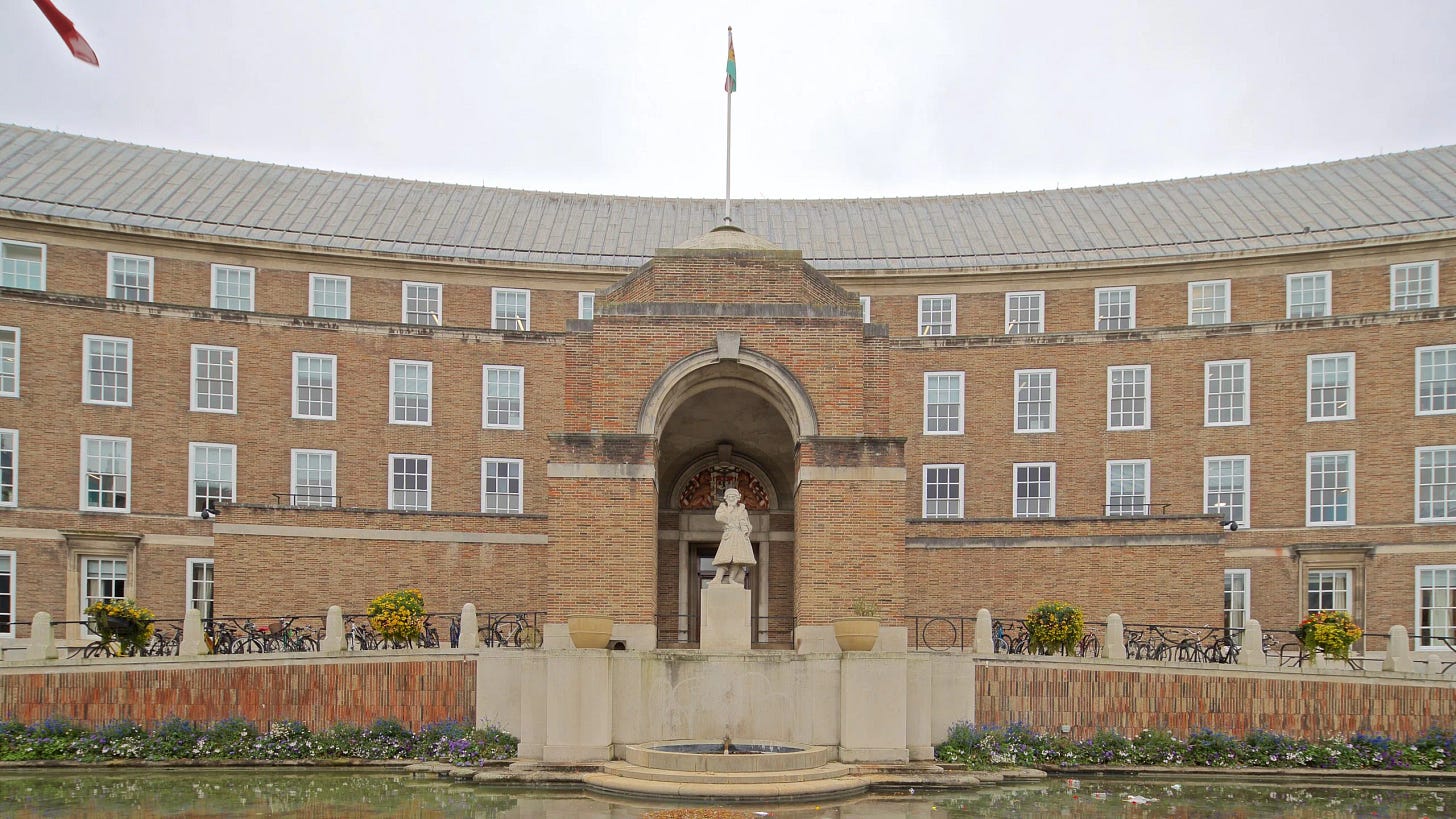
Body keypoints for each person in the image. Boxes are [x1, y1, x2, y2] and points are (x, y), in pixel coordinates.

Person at [712, 487, 756, 585]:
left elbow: (747, 522)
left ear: (738, 498)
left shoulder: (742, 509)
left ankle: (732, 579)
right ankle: (718, 578)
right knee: (724, 558)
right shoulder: (723, 507)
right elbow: (719, 518)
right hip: (729, 535)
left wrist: (747, 529)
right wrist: (729, 510)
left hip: (739, 536)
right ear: (726, 498)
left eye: (733, 496)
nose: (731, 498)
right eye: (729, 496)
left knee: (738, 559)